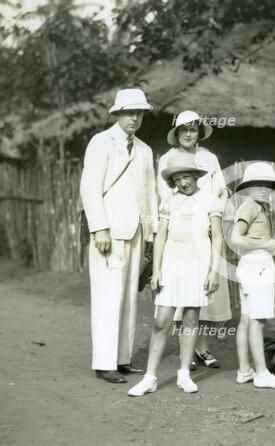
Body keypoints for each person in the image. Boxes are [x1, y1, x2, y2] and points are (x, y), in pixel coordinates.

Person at [128, 152, 223, 396]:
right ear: (173, 181)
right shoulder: (169, 200)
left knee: (191, 320)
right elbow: (161, 237)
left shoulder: (211, 199)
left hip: (197, 263)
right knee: (162, 321)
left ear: (195, 176)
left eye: (187, 177)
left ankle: (184, 374)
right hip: (172, 262)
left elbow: (218, 238)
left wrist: (214, 271)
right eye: (178, 178)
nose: (183, 182)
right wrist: (157, 269)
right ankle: (150, 378)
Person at [80, 88, 158, 383]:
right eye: (129, 112)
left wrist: (150, 231)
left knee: (129, 297)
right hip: (109, 231)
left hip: (136, 230)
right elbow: (89, 187)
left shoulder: (144, 150)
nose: (134, 118)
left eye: (139, 113)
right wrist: (99, 227)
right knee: (107, 294)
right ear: (117, 114)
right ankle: (104, 362)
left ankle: (122, 358)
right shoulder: (101, 142)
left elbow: (150, 193)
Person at [157, 110, 231, 370]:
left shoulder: (209, 159)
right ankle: (183, 353)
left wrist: (214, 217)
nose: (188, 134)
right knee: (178, 291)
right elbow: (164, 194)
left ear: (199, 131)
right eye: (183, 129)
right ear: (176, 133)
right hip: (180, 230)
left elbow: (221, 189)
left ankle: (202, 348)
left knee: (206, 290)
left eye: (193, 129)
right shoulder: (167, 159)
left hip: (206, 226)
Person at [230, 162, 275, 389]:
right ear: (247, 187)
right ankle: (262, 373)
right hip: (256, 266)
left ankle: (244, 370)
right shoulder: (250, 206)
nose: (265, 188)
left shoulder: (257, 207)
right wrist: (268, 243)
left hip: (253, 264)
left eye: (268, 185)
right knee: (257, 319)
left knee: (247, 318)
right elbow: (236, 238)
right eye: (259, 184)